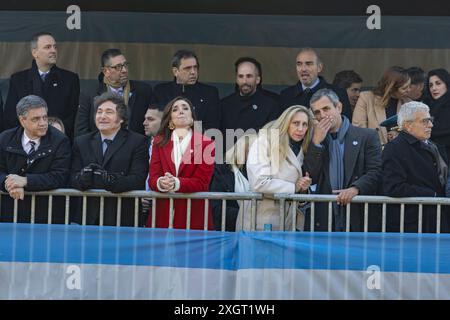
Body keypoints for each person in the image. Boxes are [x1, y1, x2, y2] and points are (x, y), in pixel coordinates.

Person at [304, 89, 382, 231]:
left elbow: (376, 171)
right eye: (317, 112)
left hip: (357, 214)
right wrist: (316, 143)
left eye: (326, 109)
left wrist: (356, 188)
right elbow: (310, 176)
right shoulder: (313, 140)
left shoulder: (367, 136)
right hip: (325, 217)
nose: (322, 116)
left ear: (339, 107)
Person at [71, 92, 149, 226]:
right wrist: (83, 178)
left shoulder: (138, 142)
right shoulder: (82, 141)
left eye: (109, 112)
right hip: (88, 217)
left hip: (121, 216)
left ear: (121, 118)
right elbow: (72, 177)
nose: (102, 116)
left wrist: (109, 180)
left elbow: (138, 179)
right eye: (99, 112)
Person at [0, 95, 71, 223]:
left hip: (47, 215)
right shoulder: (5, 139)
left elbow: (60, 176)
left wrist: (26, 181)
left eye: (45, 117)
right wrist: (9, 183)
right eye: (36, 119)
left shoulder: (60, 141)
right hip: (10, 213)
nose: (43, 123)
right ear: (22, 120)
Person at [147, 97, 215, 230]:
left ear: (192, 118)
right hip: (162, 214)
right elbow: (153, 178)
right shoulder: (159, 142)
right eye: (175, 109)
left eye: (185, 108)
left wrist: (176, 183)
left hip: (194, 215)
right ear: (170, 119)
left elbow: (202, 182)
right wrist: (161, 182)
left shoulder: (206, 143)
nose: (181, 111)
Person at [382, 101, 448, 232]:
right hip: (412, 223)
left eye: (430, 120)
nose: (431, 125)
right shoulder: (394, 148)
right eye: (425, 121)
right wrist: (432, 195)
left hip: (438, 218)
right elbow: (394, 186)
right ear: (408, 125)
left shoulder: (434, 146)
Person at [246, 105, 314, 231]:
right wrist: (294, 187)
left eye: (305, 124)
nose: (300, 129)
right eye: (295, 123)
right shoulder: (264, 142)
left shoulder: (301, 148)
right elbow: (259, 182)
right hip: (263, 217)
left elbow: (297, 186)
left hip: (288, 218)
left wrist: (302, 189)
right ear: (285, 123)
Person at [4, 32, 80, 140]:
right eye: (47, 47)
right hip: (27, 142)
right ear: (35, 52)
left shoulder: (70, 79)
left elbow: (73, 116)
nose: (53, 50)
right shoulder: (18, 80)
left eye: (55, 47)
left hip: (58, 142)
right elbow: (11, 116)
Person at [75, 48, 153, 136]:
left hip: (135, 147)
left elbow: (151, 125)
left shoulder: (143, 90)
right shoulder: (89, 94)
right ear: (105, 71)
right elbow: (81, 131)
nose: (124, 70)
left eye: (125, 65)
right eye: (118, 67)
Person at [153, 50, 220, 132]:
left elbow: (212, 128)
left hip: (198, 143)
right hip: (168, 142)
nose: (193, 72)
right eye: (187, 68)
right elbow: (156, 123)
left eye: (195, 67)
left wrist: (193, 125)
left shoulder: (209, 93)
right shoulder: (161, 91)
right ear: (175, 71)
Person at [220, 57, 280, 150]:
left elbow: (272, 140)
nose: (244, 81)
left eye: (249, 76)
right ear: (236, 79)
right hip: (230, 160)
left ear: (258, 80)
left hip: (258, 160)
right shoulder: (225, 104)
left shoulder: (270, 105)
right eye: (241, 76)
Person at [279, 47, 352, 120]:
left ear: (319, 67)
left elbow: (346, 126)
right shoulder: (285, 95)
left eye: (309, 64)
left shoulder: (338, 93)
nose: (303, 69)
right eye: (299, 64)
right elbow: (276, 126)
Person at [352, 66, 411, 146]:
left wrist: (398, 134)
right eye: (404, 88)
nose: (409, 90)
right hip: (373, 152)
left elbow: (413, 131)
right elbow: (358, 130)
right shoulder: (366, 98)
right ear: (391, 88)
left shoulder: (408, 103)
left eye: (409, 86)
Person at [210, 133, 257, 231]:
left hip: (258, 230)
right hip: (229, 230)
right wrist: (246, 216)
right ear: (243, 150)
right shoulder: (222, 171)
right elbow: (217, 207)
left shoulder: (264, 172)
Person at [426, 68, 450, 162]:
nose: (434, 88)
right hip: (435, 162)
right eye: (431, 85)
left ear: (447, 84)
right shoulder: (427, 107)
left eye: (438, 83)